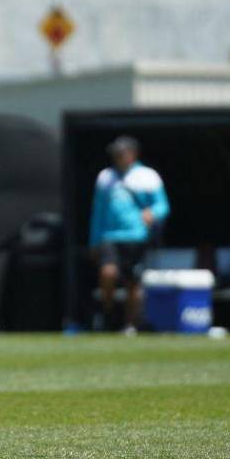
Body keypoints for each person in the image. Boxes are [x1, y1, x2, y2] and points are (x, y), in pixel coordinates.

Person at [88, 135, 170, 334]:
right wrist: (94, 241)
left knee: (133, 282)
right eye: (115, 153)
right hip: (110, 236)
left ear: (132, 154)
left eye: (121, 152)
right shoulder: (105, 177)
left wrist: (153, 213)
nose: (118, 156)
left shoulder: (147, 176)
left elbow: (163, 205)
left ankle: (131, 324)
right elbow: (98, 211)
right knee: (108, 273)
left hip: (137, 237)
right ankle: (108, 315)